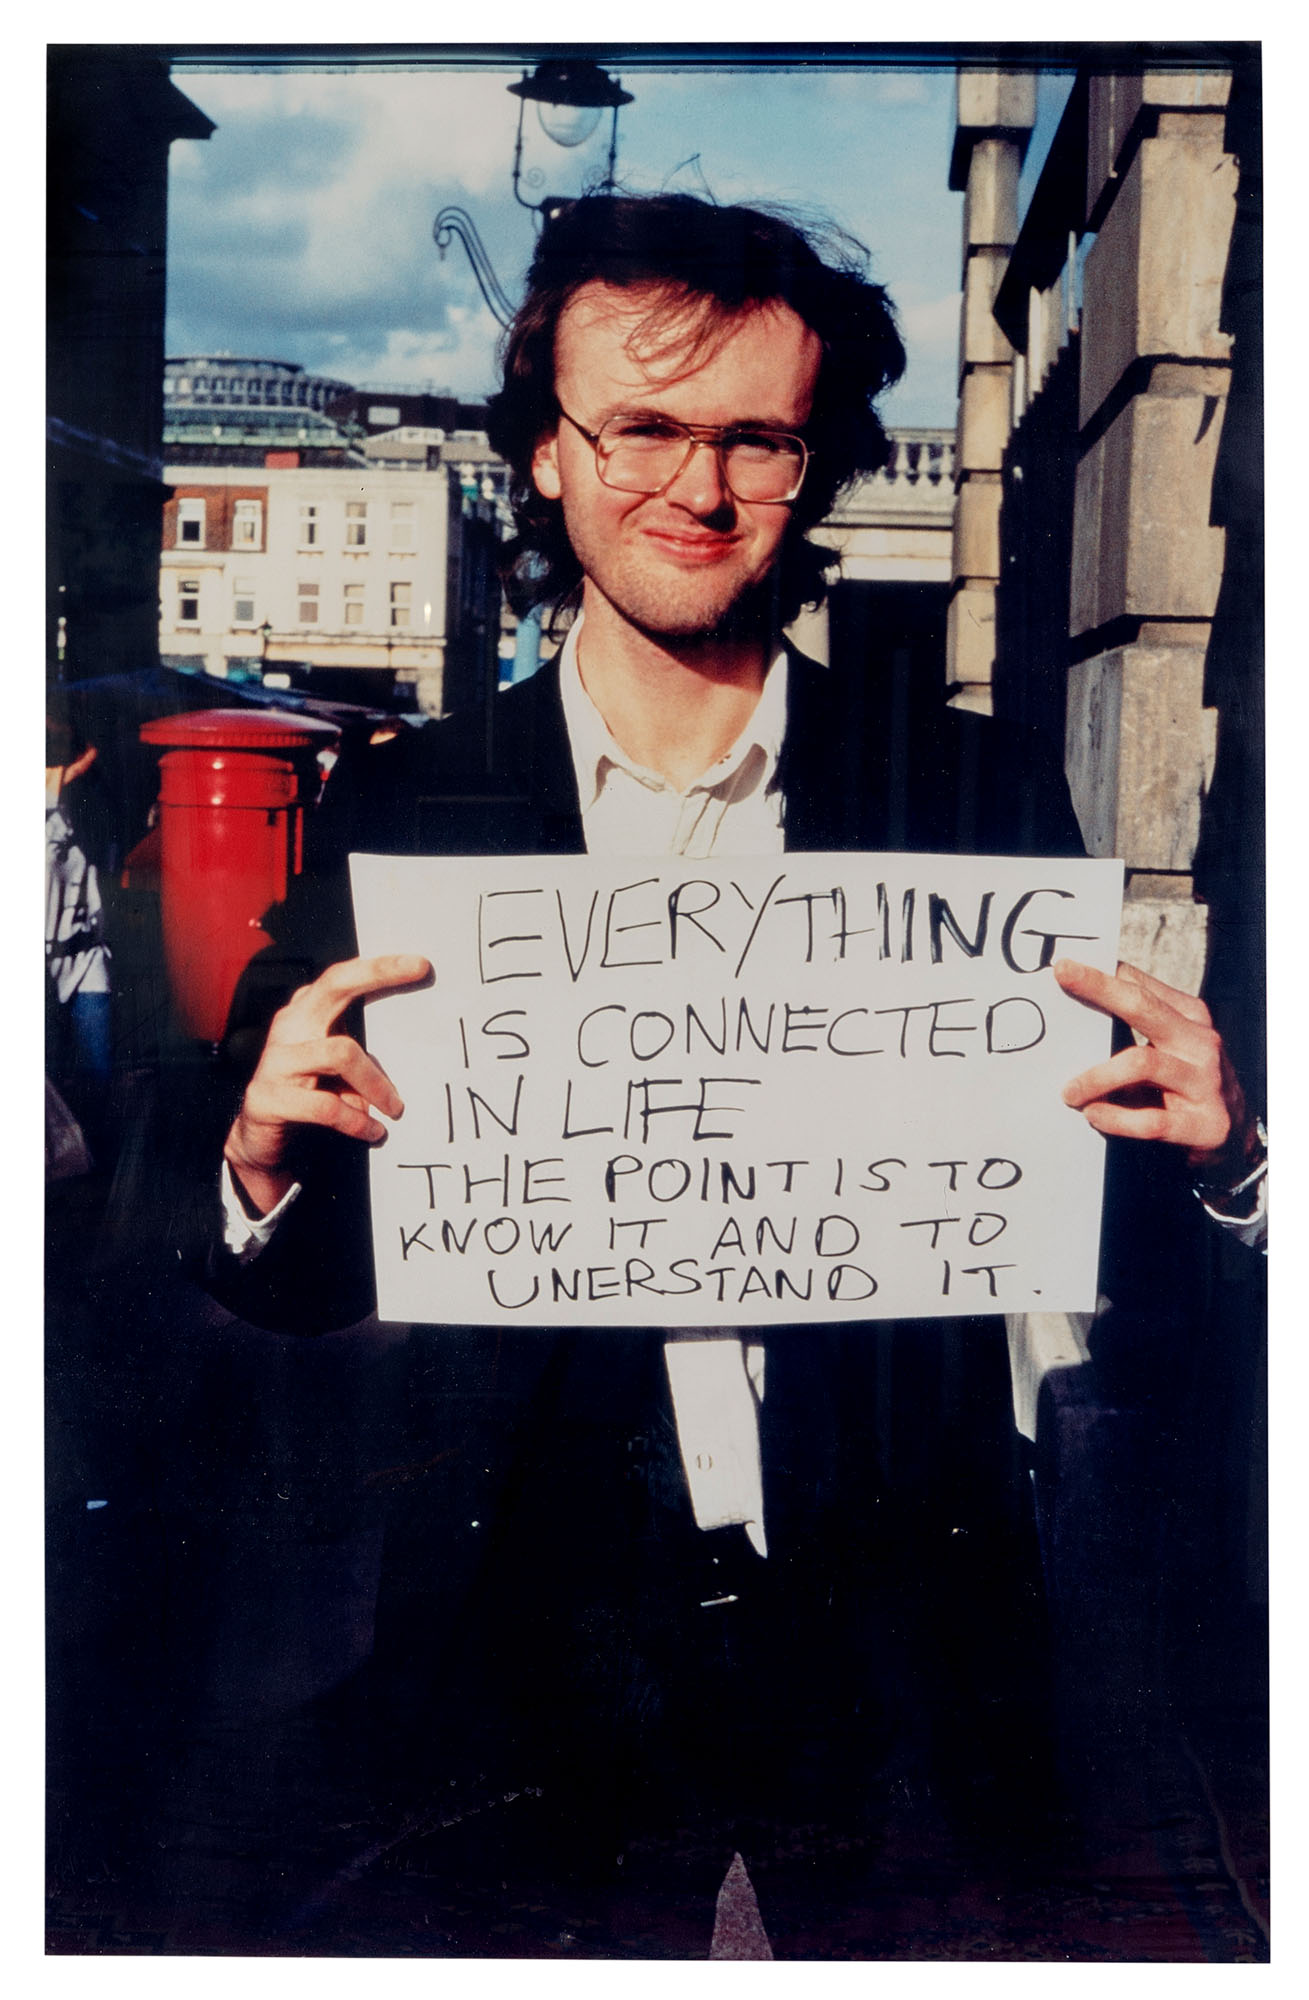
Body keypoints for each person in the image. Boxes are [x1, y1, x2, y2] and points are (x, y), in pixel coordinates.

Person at [180, 194, 1263, 1945]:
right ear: (545, 453)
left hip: (903, 1636)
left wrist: (1223, 1167)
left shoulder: (968, 803)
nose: (697, 488)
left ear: (812, 463)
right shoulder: (404, 811)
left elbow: (1091, 1244)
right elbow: (300, 1283)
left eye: (755, 437)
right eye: (644, 429)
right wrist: (255, 1166)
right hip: (528, 1640)